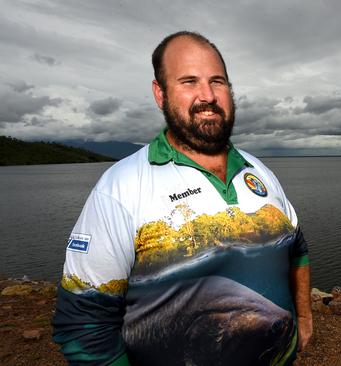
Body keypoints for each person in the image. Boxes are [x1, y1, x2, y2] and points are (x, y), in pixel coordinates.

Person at [52, 31, 312, 366]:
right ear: (160, 94)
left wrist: (303, 319)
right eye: (189, 81)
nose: (208, 95)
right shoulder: (119, 187)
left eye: (217, 82)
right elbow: (81, 323)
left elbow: (298, 248)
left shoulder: (259, 170)